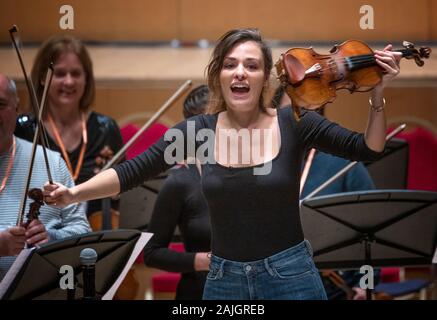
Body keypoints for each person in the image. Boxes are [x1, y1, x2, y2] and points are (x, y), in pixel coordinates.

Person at [44, 28, 400, 300]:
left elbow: (368, 148)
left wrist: (379, 95)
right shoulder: (198, 132)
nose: (240, 73)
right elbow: (131, 171)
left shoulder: (296, 121)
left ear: (265, 79)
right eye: (230, 65)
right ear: (219, 76)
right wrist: (73, 194)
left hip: (291, 276)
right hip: (223, 281)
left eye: (251, 65)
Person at [14, 34, 124, 219]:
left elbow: (120, 195)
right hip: (39, 237)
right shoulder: (24, 130)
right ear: (42, 78)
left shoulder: (106, 129)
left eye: (76, 73)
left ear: (86, 78)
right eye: (59, 74)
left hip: (96, 238)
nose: (69, 81)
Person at [0, 74, 90, 280]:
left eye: (0, 104)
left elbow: (82, 232)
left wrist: (51, 239)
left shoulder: (51, 162)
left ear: (16, 108)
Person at [143, 84, 211, 300]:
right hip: (198, 293)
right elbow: (152, 253)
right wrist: (202, 261)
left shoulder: (251, 174)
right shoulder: (180, 182)